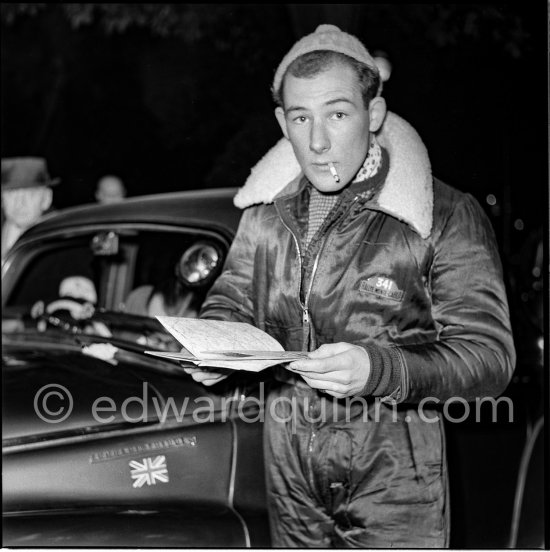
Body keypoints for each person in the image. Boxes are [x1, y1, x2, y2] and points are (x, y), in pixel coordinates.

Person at [185, 25, 515, 547]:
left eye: (337, 114)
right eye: (301, 118)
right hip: (288, 472)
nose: (317, 142)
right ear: (282, 122)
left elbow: (490, 359)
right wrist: (215, 346)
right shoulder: (263, 217)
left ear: (374, 115)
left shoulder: (443, 214)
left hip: (396, 478)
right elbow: (229, 301)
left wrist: (379, 369)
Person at [1, 157, 58, 261]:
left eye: (31, 194)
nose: (20, 203)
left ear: (46, 199)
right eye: (11, 194)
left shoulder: (60, 238)